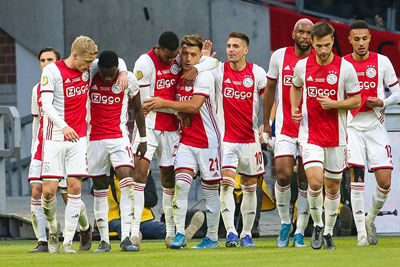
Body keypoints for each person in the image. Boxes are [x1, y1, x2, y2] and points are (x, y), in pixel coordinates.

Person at [39, 36, 128, 254]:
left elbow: (117, 60)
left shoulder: (88, 67)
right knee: (49, 192)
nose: (91, 67)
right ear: (75, 55)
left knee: (75, 188)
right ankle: (52, 229)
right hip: (55, 137)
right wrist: (63, 126)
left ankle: (68, 242)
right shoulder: (52, 71)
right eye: (87, 63)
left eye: (92, 63)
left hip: (79, 138)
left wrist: (124, 72)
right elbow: (46, 105)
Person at [131, 31, 218, 247]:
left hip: (173, 131)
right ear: (158, 48)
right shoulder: (145, 63)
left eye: (176, 56)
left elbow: (215, 62)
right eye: (171, 57)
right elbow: (147, 103)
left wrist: (201, 64)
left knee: (170, 181)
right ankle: (133, 232)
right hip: (149, 127)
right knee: (139, 175)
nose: (175, 61)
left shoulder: (182, 61)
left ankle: (172, 233)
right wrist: (177, 110)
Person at [290, 22, 361, 250]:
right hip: (310, 135)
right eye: (319, 45)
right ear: (312, 42)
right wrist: (294, 107)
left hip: (337, 137)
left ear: (333, 41)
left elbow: (356, 100)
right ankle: (318, 225)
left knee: (332, 188)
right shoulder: (302, 66)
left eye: (327, 45)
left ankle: (329, 232)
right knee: (314, 181)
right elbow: (295, 86)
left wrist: (335, 104)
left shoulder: (345, 68)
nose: (323, 50)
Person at [205, 32, 267, 247]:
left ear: (246, 50)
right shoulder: (218, 70)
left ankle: (246, 233)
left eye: (236, 46)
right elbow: (195, 73)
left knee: (250, 186)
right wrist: (203, 60)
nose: (231, 49)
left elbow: (270, 99)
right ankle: (231, 231)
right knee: (226, 184)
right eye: (229, 45)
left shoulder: (257, 72)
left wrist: (266, 124)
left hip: (250, 140)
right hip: (226, 140)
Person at [344, 20, 400, 246]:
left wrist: (383, 101)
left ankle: (370, 220)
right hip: (353, 127)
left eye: (364, 38)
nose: (360, 43)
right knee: (356, 181)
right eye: (356, 39)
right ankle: (361, 235)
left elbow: (397, 92)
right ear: (349, 40)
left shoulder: (382, 61)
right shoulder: (343, 64)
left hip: (376, 127)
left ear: (370, 39)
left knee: (385, 182)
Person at [87, 50, 146, 252]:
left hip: (118, 136)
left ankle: (127, 238)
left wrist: (143, 139)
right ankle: (104, 241)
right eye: (105, 74)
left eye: (113, 73)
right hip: (93, 139)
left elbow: (138, 109)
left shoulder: (127, 78)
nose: (109, 77)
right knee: (100, 189)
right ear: (99, 69)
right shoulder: (90, 75)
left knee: (127, 182)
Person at [263, 18, 314, 248]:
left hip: (311, 131)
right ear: (293, 34)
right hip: (284, 129)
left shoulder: (319, 59)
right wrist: (266, 123)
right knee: (283, 176)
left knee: (306, 181)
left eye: (309, 33)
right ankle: (285, 224)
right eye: (301, 32)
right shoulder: (279, 57)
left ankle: (300, 230)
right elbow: (270, 91)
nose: (305, 37)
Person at [28, 47, 60, 253]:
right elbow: (36, 121)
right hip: (41, 147)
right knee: (36, 191)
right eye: (42, 60)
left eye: (50, 59)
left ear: (58, 63)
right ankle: (42, 240)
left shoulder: (67, 87)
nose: (46, 63)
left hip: (62, 146)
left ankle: (83, 228)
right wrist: (34, 148)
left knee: (66, 193)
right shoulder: (36, 89)